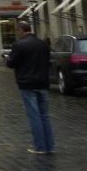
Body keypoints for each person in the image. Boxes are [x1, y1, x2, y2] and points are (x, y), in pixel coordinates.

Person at [6, 21, 54, 154]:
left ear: (21, 30)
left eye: (18, 31)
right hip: (43, 83)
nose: (17, 33)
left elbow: (11, 63)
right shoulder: (43, 44)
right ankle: (50, 146)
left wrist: (7, 59)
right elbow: (48, 62)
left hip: (27, 83)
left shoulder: (19, 45)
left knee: (34, 116)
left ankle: (40, 147)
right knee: (45, 115)